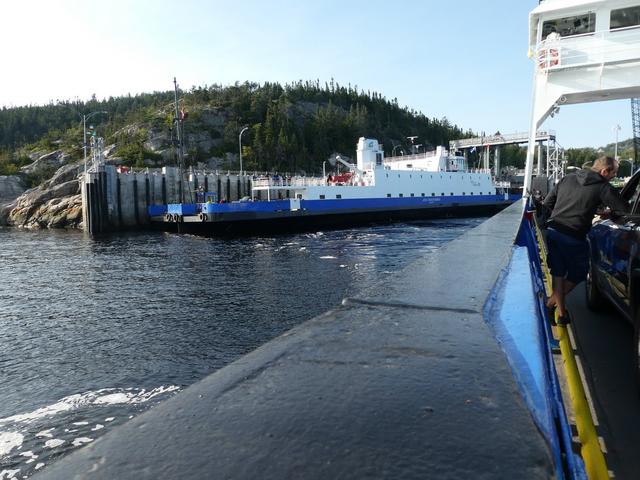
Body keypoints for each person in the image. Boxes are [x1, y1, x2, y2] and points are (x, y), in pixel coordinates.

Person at [542, 156, 628, 325]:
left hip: (553, 231)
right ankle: (551, 304)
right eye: (614, 172)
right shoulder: (602, 187)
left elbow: (547, 202)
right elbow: (624, 209)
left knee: (558, 272)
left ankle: (560, 312)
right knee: (579, 273)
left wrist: (563, 214)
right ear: (604, 171)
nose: (614, 176)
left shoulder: (567, 178)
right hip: (574, 236)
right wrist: (609, 214)